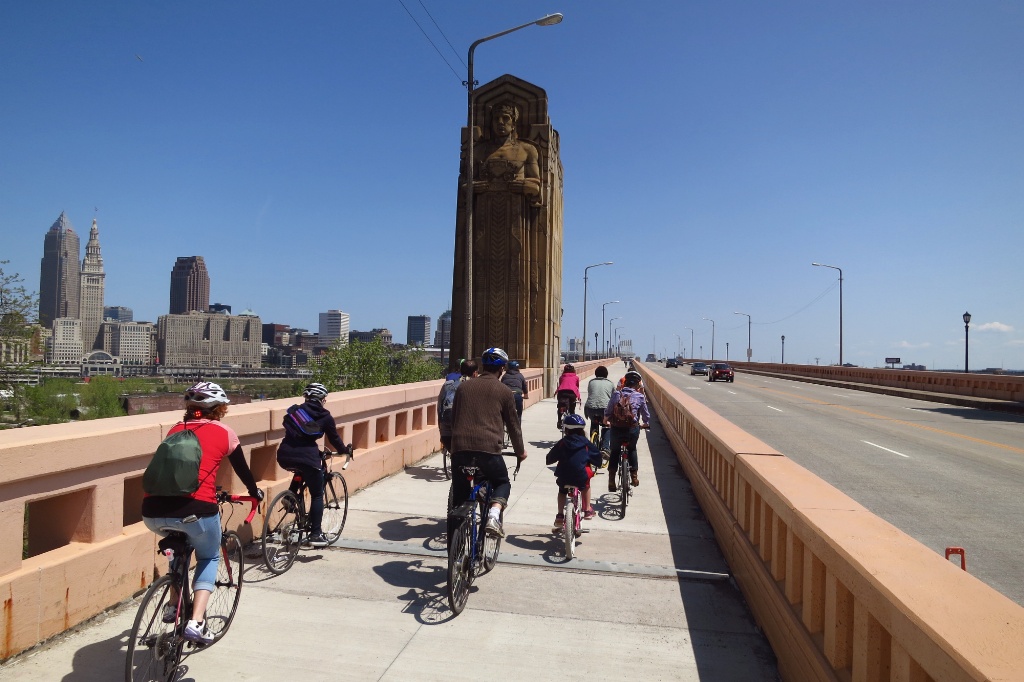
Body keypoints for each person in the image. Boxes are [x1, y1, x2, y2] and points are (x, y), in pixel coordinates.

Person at [141, 381, 263, 645]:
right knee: (208, 556)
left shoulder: (175, 430)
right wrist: (255, 492)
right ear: (219, 409)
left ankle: (173, 604)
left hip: (152, 512)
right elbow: (242, 470)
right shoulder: (225, 433)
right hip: (195, 512)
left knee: (178, 550)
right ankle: (196, 622)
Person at [448, 347, 527, 541]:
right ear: (502, 369)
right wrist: (520, 451)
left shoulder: (463, 388)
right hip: (488, 451)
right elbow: (513, 426)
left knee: (459, 498)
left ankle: (457, 545)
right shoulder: (504, 391)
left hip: (460, 450)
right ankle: (493, 515)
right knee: (502, 482)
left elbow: (453, 419)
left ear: (482, 366)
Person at [276, 382, 350, 548]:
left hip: (284, 455)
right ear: (321, 399)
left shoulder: (295, 411)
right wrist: (344, 451)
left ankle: (290, 496)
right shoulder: (325, 416)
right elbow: (334, 439)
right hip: (308, 457)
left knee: (300, 468)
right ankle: (315, 534)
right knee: (317, 494)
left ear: (306, 398)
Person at [546, 414, 602, 530]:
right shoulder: (586, 444)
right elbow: (597, 457)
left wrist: (550, 460)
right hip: (580, 477)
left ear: (566, 429)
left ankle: (560, 515)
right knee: (586, 485)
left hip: (564, 476)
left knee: (562, 491)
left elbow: (550, 458)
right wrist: (597, 463)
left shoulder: (562, 443)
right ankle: (587, 510)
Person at [604, 370, 650, 492]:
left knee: (615, 451)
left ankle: (611, 480)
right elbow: (645, 414)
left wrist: (606, 420)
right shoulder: (640, 396)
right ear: (638, 385)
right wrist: (646, 423)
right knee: (632, 449)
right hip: (632, 429)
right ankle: (634, 477)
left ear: (625, 383)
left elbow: (609, 410)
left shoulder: (616, 394)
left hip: (616, 428)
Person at [438, 359, 478, 452]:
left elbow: (440, 408)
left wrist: (441, 431)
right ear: (475, 373)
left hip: (446, 434)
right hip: (467, 436)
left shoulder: (447, 385)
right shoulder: (477, 386)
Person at [584, 365, 615, 459]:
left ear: (596, 374)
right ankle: (605, 448)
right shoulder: (610, 383)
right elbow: (614, 398)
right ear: (606, 374)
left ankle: (592, 446)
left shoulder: (591, 382)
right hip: (604, 409)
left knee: (594, 423)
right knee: (606, 425)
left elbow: (590, 394)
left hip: (590, 409)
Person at [554, 363, 580, 428]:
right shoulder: (576, 377)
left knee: (561, 406)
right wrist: (577, 396)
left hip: (562, 393)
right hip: (571, 393)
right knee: (572, 409)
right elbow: (577, 387)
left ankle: (559, 421)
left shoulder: (561, 377)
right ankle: (572, 422)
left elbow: (561, 385)